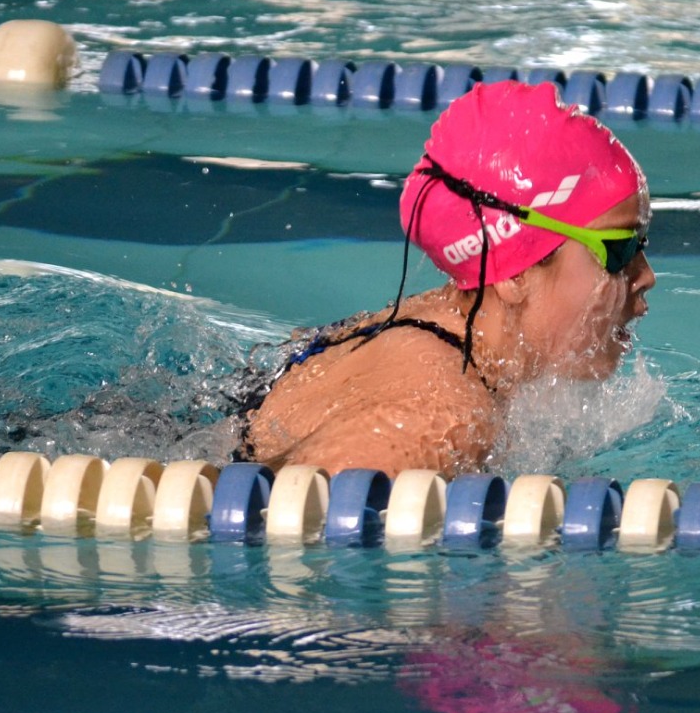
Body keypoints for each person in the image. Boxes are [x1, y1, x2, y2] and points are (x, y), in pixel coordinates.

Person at [236, 79, 655, 477]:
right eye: (618, 250)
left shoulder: (447, 327)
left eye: (643, 242)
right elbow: (278, 514)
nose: (646, 276)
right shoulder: (442, 418)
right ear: (515, 275)